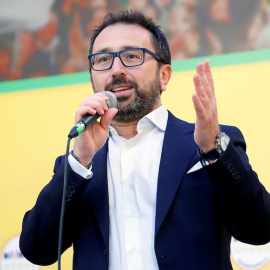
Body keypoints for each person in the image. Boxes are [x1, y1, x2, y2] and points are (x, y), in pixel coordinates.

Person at [19, 9, 270, 270]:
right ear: (92, 78)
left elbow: (259, 229)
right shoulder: (78, 166)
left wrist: (213, 148)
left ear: (164, 76)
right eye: (103, 59)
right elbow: (37, 250)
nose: (116, 69)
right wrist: (80, 161)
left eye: (131, 56)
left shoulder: (209, 144)